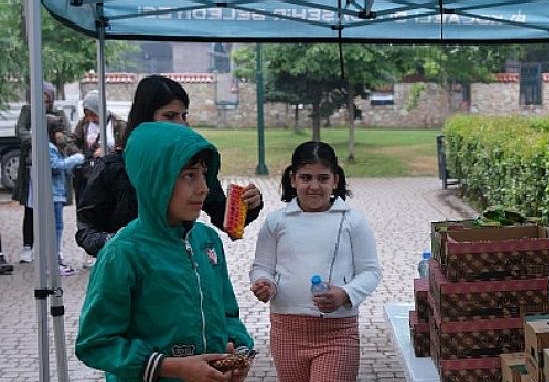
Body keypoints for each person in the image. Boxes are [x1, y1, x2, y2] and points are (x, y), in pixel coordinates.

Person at [75, 122, 253, 382]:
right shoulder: (123, 253)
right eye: (188, 175)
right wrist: (170, 367)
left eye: (204, 174)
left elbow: (227, 314)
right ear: (154, 180)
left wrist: (238, 349)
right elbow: (95, 343)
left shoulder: (208, 241)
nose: (203, 188)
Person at [75, 75, 263, 259]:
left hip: (179, 272)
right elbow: (86, 230)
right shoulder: (112, 168)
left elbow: (223, 216)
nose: (180, 125)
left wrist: (247, 205)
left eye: (184, 116)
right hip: (128, 277)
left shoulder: (193, 164)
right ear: (145, 117)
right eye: (170, 116)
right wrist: (121, 245)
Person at [250, 141, 381, 382]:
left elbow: (370, 271)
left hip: (338, 332)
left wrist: (345, 293)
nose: (314, 186)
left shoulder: (353, 221)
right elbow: (262, 266)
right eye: (305, 177)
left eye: (323, 178)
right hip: (286, 330)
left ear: (335, 181)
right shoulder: (276, 222)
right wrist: (264, 283)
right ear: (292, 179)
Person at [13, 82, 75, 264]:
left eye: (47, 99)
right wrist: (39, 136)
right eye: (41, 98)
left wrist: (56, 137)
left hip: (54, 168)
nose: (44, 102)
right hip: (31, 168)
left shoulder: (59, 114)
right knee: (31, 208)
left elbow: (66, 136)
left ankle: (55, 249)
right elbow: (21, 131)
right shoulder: (28, 111)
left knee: (55, 211)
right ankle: (28, 246)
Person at [72, 90, 127, 205]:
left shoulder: (118, 124)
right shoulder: (83, 124)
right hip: (89, 175)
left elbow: (126, 148)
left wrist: (108, 152)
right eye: (87, 115)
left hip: (111, 175)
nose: (91, 118)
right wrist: (82, 155)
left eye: (93, 114)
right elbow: (71, 142)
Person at [46, 119, 85, 275]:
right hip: (53, 194)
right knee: (56, 227)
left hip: (58, 193)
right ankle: (54, 261)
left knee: (58, 227)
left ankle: (56, 258)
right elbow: (55, 165)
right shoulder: (49, 147)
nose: (61, 135)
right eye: (59, 131)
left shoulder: (55, 147)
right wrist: (75, 159)